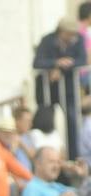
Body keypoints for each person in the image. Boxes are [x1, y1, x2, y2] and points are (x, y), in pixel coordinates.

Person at [34, 18, 87, 160]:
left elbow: (82, 59)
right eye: (70, 34)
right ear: (62, 32)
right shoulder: (47, 40)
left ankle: (73, 157)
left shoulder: (78, 39)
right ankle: (48, 158)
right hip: (48, 90)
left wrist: (63, 67)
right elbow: (37, 62)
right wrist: (55, 64)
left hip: (68, 89)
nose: (73, 37)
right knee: (47, 123)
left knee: (72, 122)